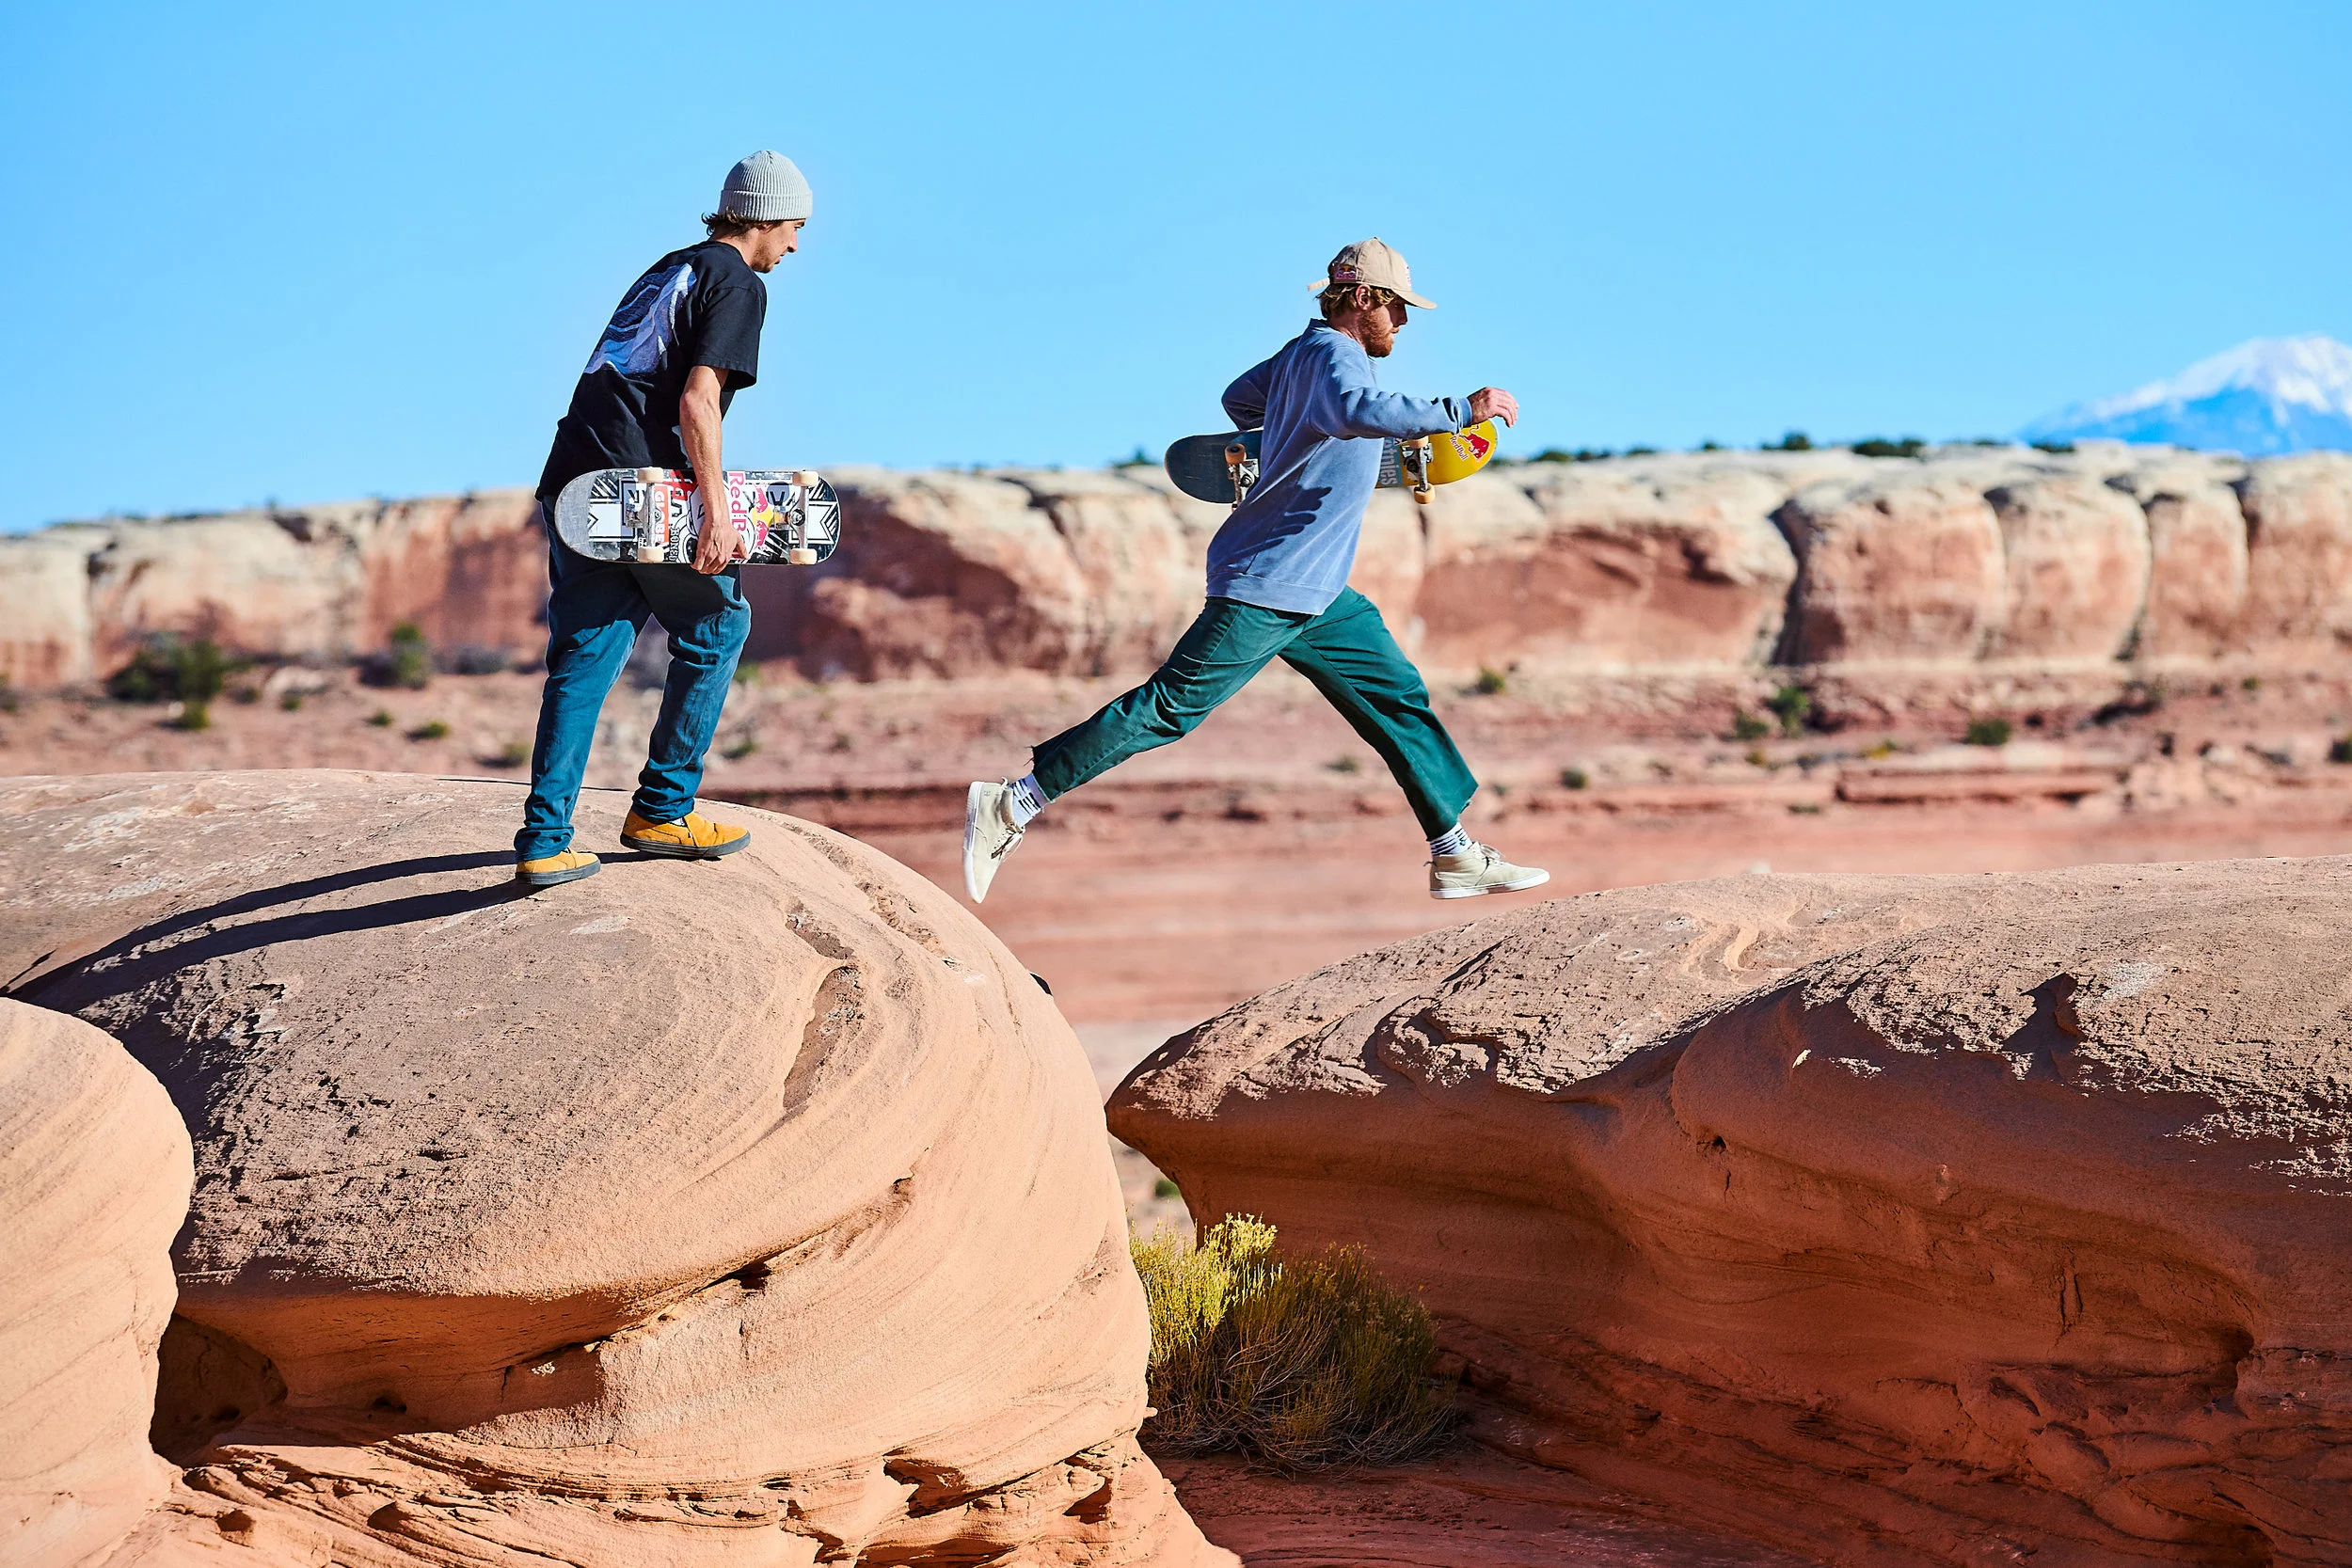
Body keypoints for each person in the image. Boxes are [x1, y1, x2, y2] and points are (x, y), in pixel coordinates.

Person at [961, 238, 1549, 905]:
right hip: (1269, 580)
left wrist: (1285, 439)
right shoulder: (1334, 355)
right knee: (1171, 707)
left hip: (1321, 591)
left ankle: (1453, 853)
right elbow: (1358, 411)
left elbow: (1241, 397)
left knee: (1396, 694)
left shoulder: (1303, 355)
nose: (1404, 323)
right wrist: (1459, 410)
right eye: (1396, 309)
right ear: (1363, 300)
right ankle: (1012, 803)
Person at [514, 151, 811, 889]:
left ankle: (545, 838)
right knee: (718, 628)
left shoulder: (667, 268)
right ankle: (662, 809)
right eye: (796, 228)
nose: (796, 246)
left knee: (585, 656)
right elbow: (696, 401)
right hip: (641, 484)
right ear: (767, 216)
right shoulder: (736, 281)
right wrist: (714, 509)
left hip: (574, 479)